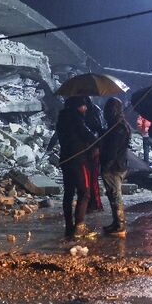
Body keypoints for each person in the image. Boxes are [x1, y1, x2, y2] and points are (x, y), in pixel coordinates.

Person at [55, 97, 97, 238]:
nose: (85, 109)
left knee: (68, 193)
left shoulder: (62, 119)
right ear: (78, 107)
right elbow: (88, 136)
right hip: (79, 161)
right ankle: (79, 226)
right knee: (84, 192)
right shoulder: (76, 120)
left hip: (66, 160)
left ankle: (69, 226)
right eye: (83, 106)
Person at [100, 98, 130, 237]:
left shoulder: (118, 128)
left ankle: (120, 224)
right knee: (113, 194)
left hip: (114, 166)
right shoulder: (118, 126)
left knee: (115, 194)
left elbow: (113, 149)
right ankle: (116, 222)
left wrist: (107, 164)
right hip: (119, 164)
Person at [82, 96, 106, 212]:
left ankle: (95, 203)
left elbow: (98, 129)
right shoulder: (93, 111)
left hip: (91, 148)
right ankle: (93, 202)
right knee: (90, 178)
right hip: (91, 148)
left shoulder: (91, 113)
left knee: (91, 178)